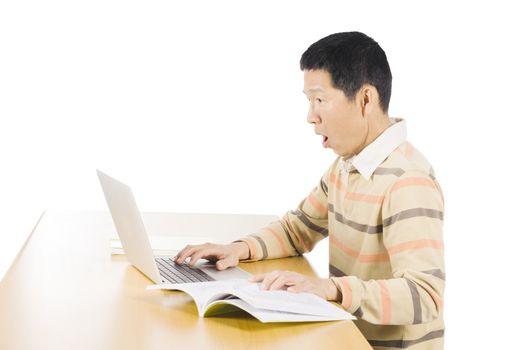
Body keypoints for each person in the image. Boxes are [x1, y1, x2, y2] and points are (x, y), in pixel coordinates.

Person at [175, 31, 445, 350]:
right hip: (347, 336)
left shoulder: (406, 180)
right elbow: (297, 230)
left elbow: (425, 296)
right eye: (308, 101)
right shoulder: (347, 165)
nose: (310, 117)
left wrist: (330, 289)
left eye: (320, 100)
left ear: (365, 100)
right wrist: (238, 249)